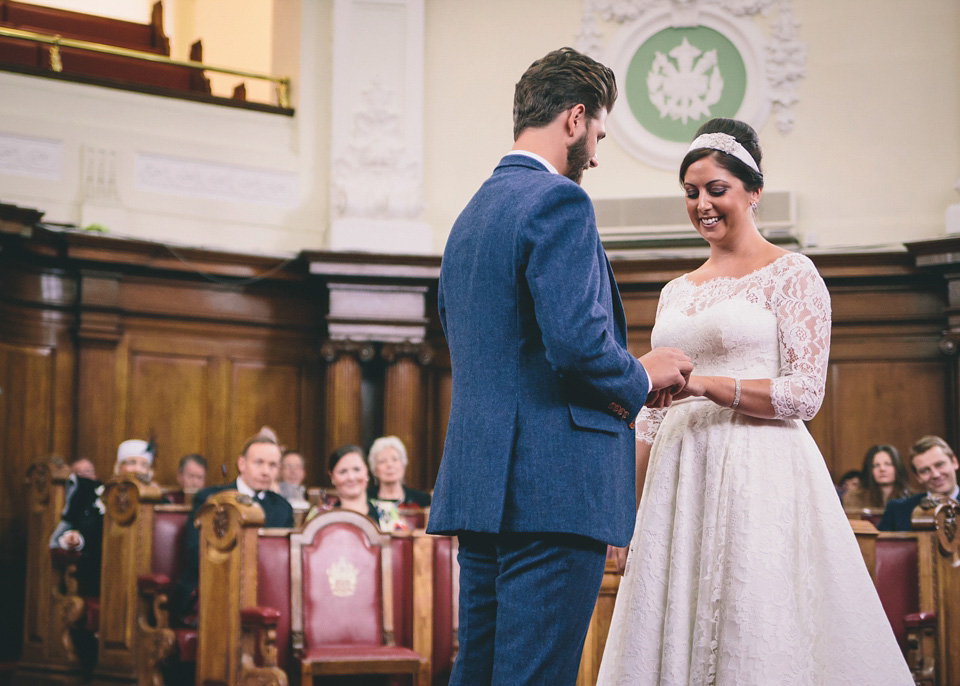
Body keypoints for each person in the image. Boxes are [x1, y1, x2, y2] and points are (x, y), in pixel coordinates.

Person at [597, 118, 912, 685]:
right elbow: (650, 413)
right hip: (678, 474)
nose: (702, 205)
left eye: (716, 189)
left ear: (754, 190)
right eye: (691, 193)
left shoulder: (792, 273)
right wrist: (623, 508)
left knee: (753, 616)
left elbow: (804, 393)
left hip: (758, 468)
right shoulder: (675, 290)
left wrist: (704, 385)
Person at [424, 47, 693, 685]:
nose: (596, 154)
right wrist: (643, 374)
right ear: (574, 119)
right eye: (598, 133)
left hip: (483, 485)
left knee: (481, 672)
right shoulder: (560, 202)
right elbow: (577, 342)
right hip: (553, 487)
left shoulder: (470, 216)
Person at [173, 431, 294, 622]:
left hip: (264, 590)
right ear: (241, 464)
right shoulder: (211, 499)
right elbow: (195, 551)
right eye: (259, 462)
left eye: (272, 465)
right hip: (211, 588)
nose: (265, 471)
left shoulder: (283, 508)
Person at [306, 444, 404, 531]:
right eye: (343, 471)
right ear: (332, 477)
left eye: (357, 469)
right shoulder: (319, 515)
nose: (351, 477)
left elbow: (400, 549)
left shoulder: (388, 511)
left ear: (367, 472)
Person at [879, 435, 959, 531]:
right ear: (917, 477)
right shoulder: (897, 511)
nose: (935, 475)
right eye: (925, 470)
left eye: (940, 465)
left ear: (954, 462)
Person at [366, 435, 431, 507]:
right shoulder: (366, 500)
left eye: (395, 459)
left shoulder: (423, 500)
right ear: (374, 470)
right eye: (382, 461)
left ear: (403, 464)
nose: (390, 465)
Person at [843, 444, 910, 509]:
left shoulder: (910, 497)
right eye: (876, 465)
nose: (882, 469)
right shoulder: (854, 498)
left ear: (897, 467)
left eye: (888, 464)